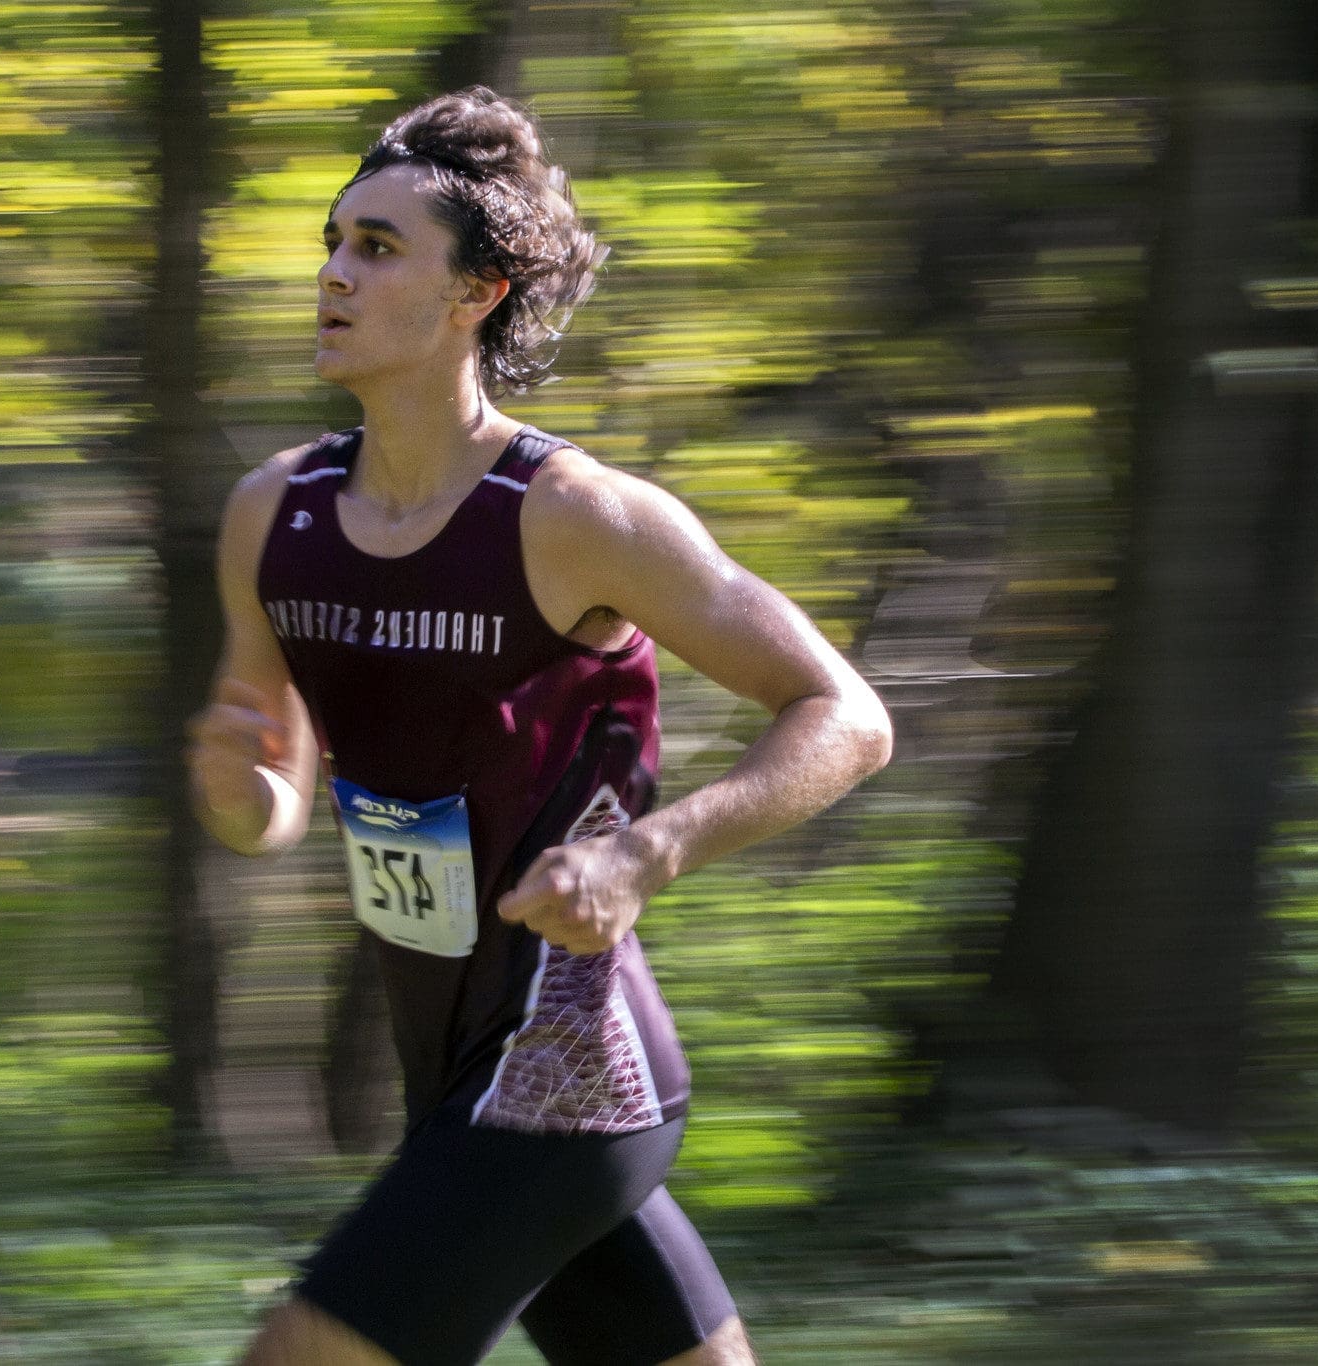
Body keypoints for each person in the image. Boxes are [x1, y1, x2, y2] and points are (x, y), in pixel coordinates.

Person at [185, 87, 892, 1366]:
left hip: (566, 1070)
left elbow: (845, 716)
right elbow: (273, 796)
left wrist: (644, 854)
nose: (334, 274)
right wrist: (243, 790)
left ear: (478, 294)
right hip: (450, 1070)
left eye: (379, 248)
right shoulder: (272, 514)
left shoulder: (576, 516)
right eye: (333, 243)